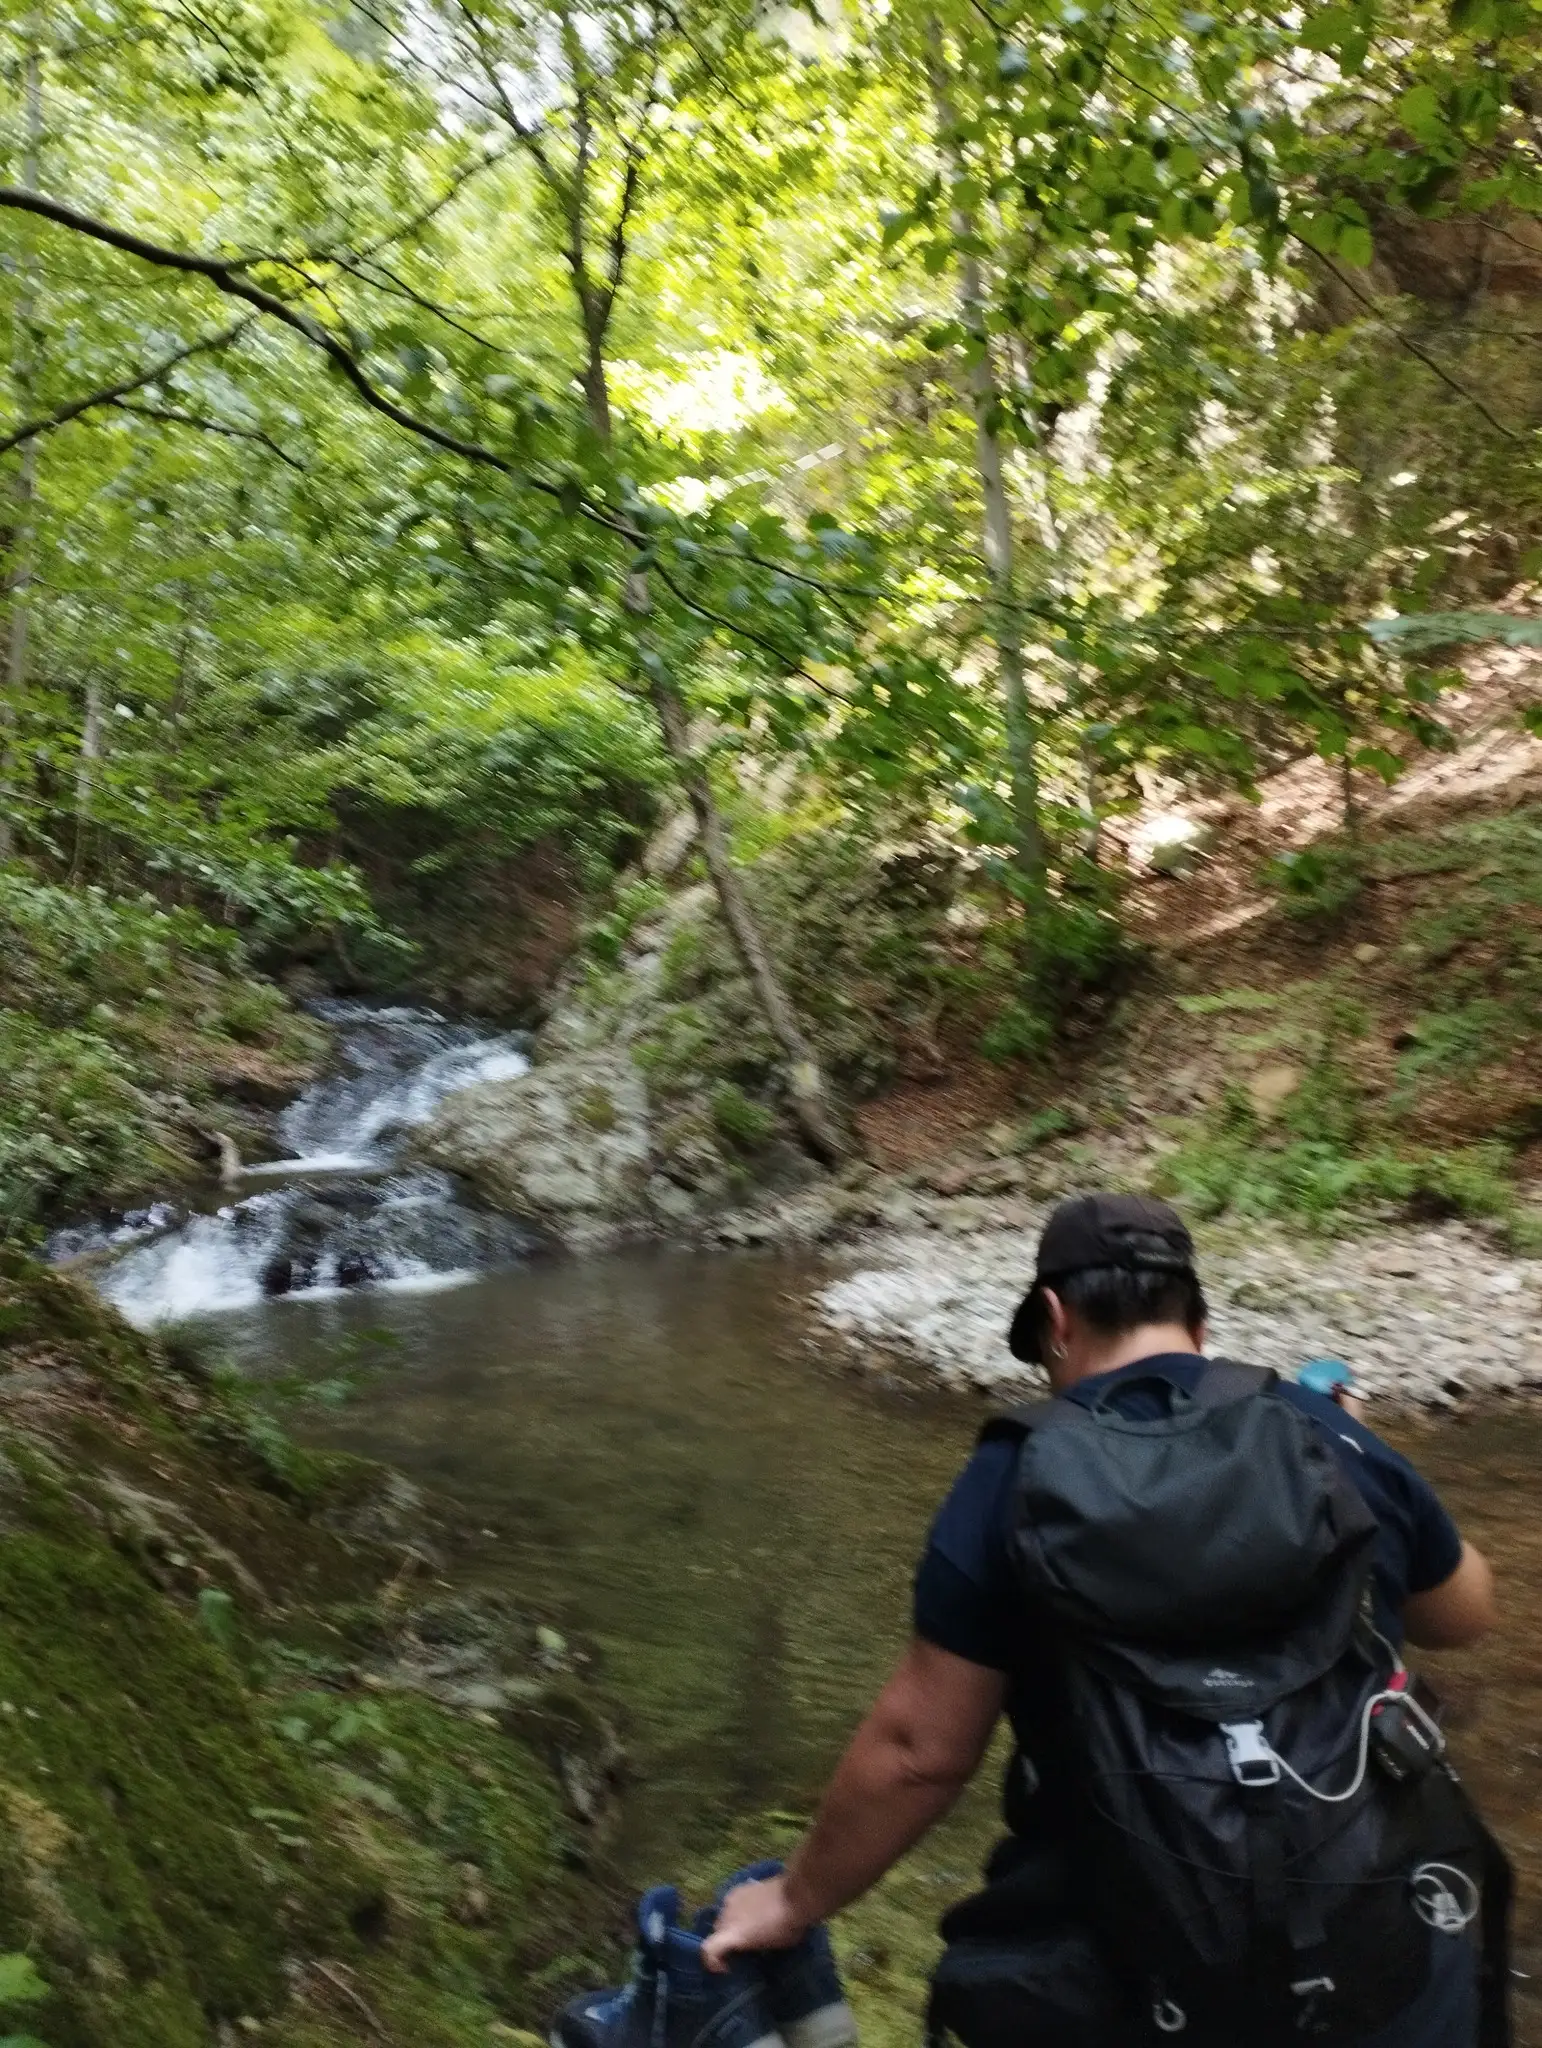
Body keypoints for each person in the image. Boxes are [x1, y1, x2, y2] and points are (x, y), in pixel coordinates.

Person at [704, 1193, 1501, 2046]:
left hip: (1137, 1973)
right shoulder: (1324, 1438)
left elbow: (919, 1755)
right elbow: (1462, 1615)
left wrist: (792, 1902)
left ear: (1055, 1319)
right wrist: (1373, 1466)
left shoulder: (1011, 1475)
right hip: (1372, 1943)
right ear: (1200, 1319)